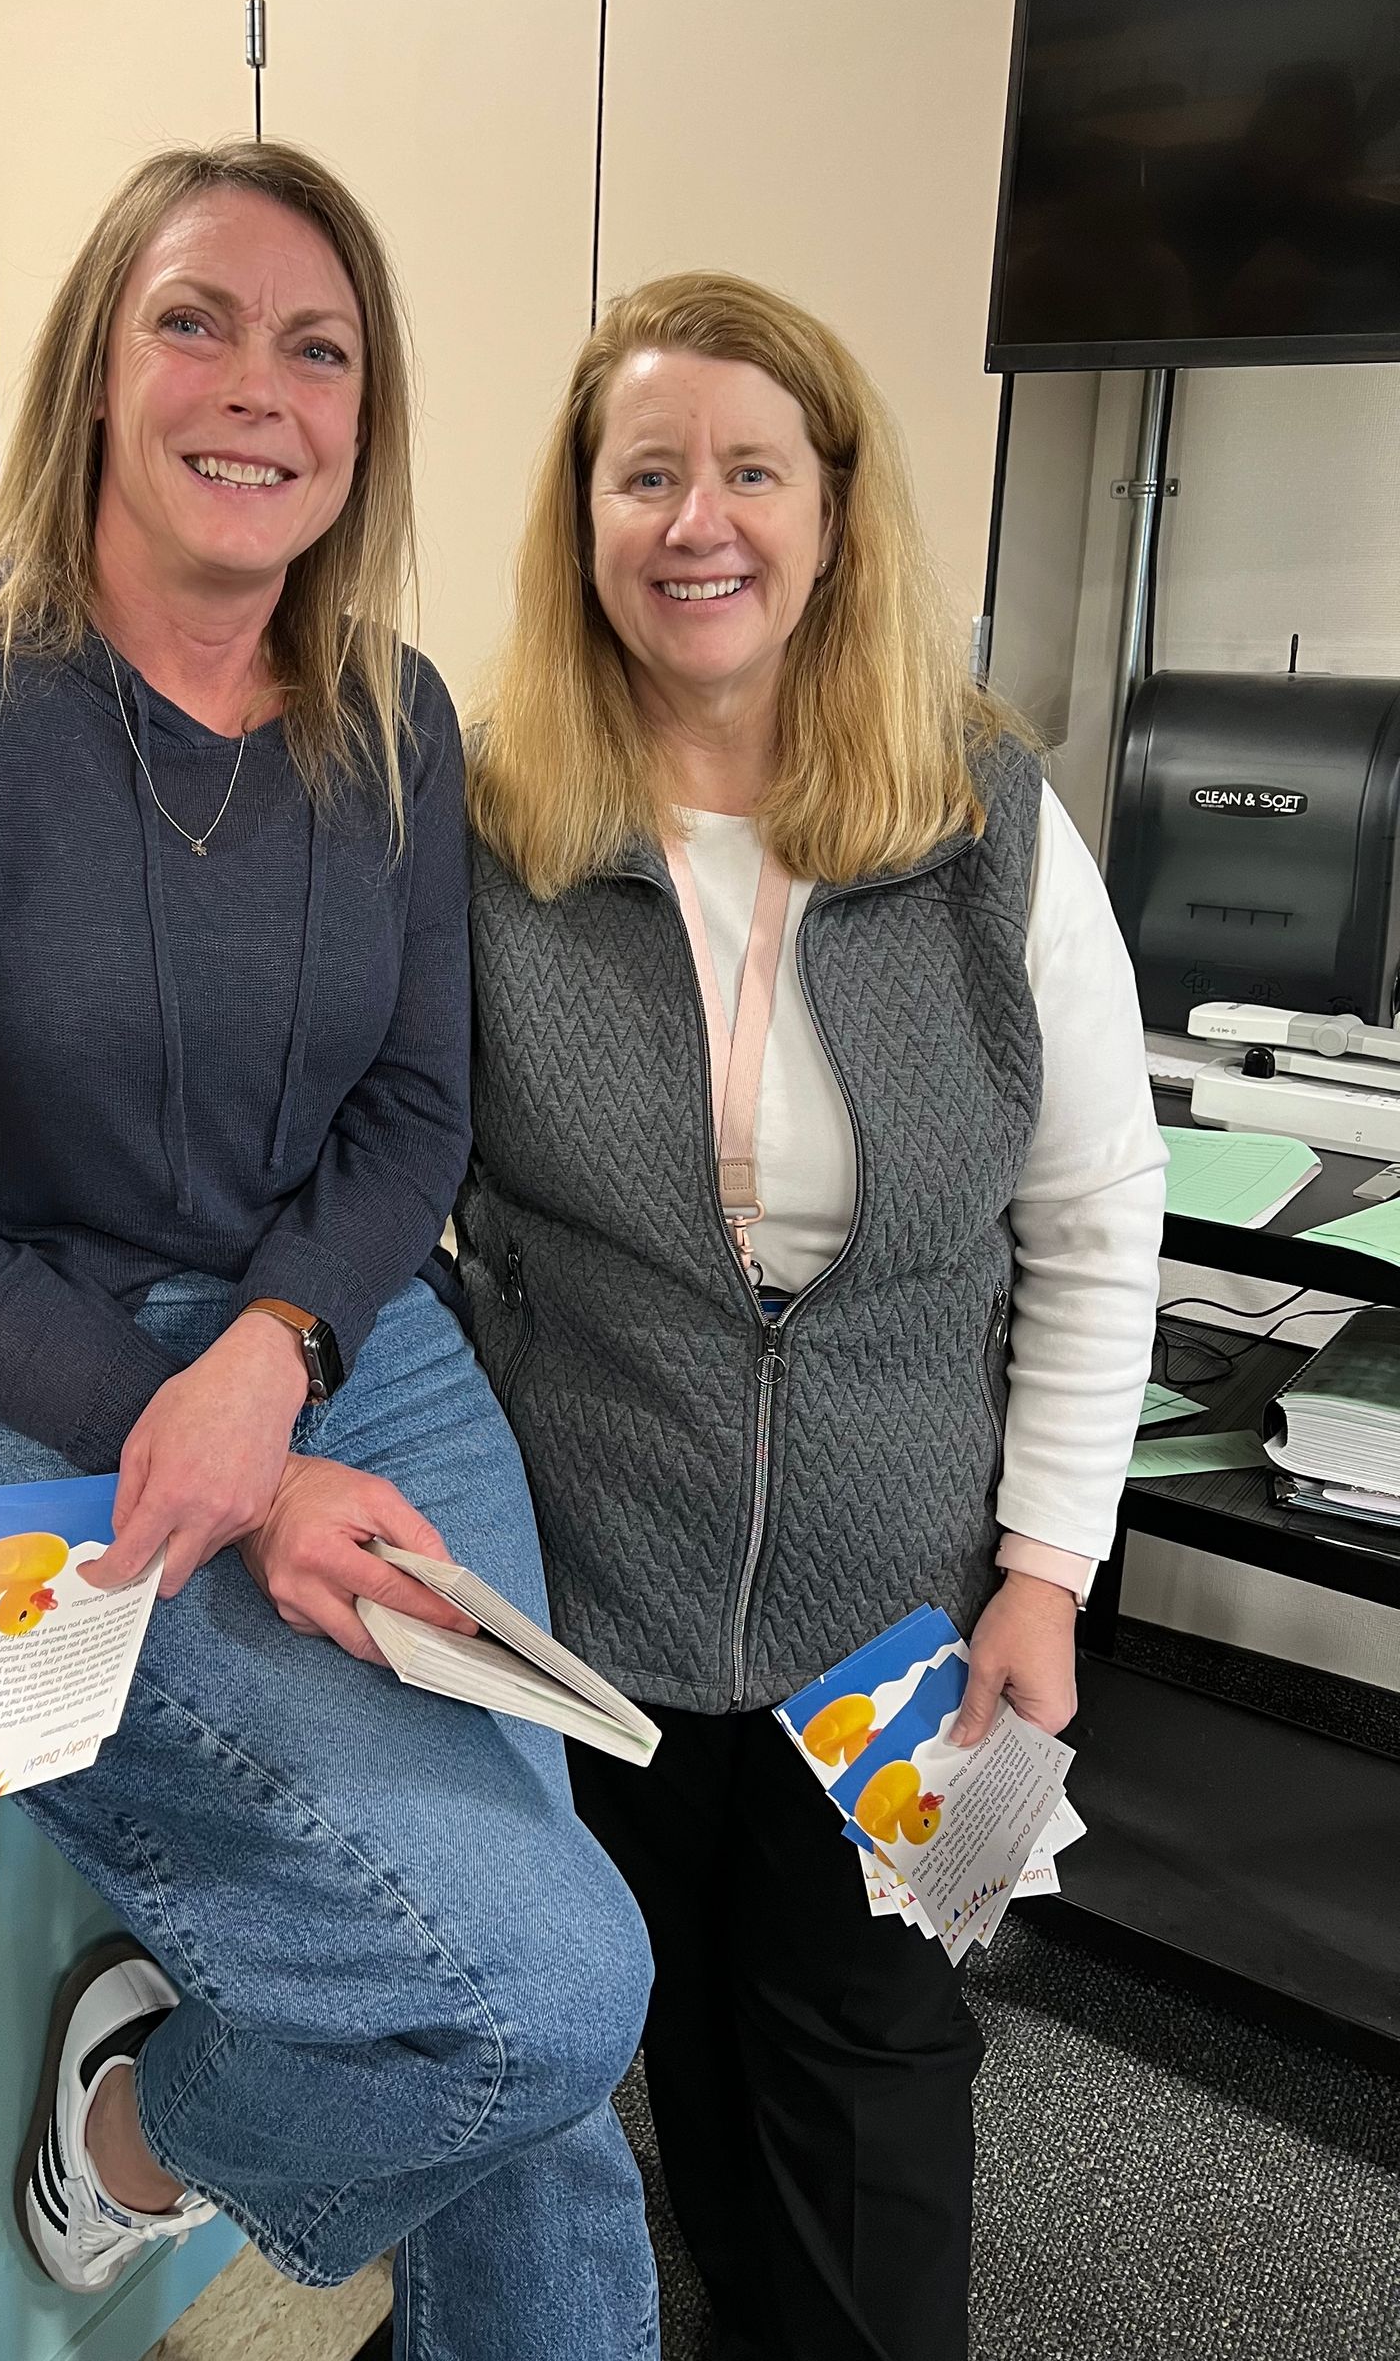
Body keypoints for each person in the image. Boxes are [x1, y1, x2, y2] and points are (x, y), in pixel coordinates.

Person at [0, 140, 657, 2360]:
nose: (255, 387)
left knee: (532, 1998)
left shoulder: (394, 721)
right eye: (197, 318)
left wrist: (277, 1345)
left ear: (364, 420)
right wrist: (231, 1459)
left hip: (352, 1354)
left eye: (319, 345)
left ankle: (168, 2139)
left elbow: (411, 1117)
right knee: (544, 1990)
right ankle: (141, 2134)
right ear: (98, 363)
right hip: (3, 1402)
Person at [458, 271, 1164, 2361]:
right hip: (589, 1624)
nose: (702, 521)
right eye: (647, 471)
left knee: (866, 2122)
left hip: (894, 1633)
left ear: (834, 510)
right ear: (583, 518)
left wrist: (1047, 1570)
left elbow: (1099, 1220)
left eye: (751, 468)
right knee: (668, 2088)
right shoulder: (492, 827)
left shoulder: (982, 825)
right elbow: (394, 1188)